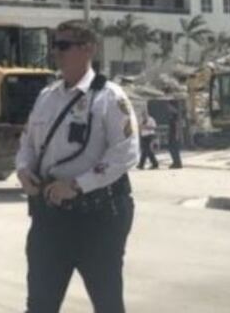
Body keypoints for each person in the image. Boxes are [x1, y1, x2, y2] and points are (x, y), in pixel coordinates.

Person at [16, 20, 139, 313]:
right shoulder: (47, 97)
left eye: (64, 46)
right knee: (40, 304)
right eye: (54, 45)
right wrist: (23, 170)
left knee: (107, 301)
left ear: (88, 50)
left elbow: (126, 152)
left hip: (97, 217)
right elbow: (28, 143)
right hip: (50, 216)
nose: (56, 53)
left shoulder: (109, 97)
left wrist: (77, 185)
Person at [167, 103, 183, 169]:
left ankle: (177, 163)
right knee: (171, 149)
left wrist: (177, 135)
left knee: (174, 149)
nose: (168, 108)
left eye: (170, 107)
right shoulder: (171, 115)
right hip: (171, 134)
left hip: (174, 134)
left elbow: (177, 126)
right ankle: (175, 162)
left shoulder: (176, 115)